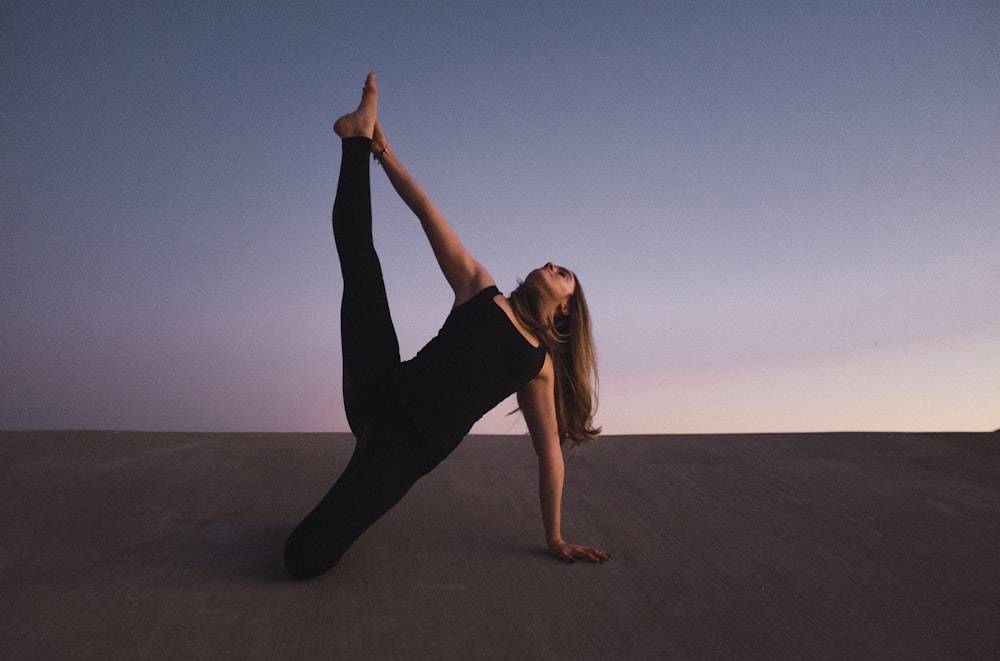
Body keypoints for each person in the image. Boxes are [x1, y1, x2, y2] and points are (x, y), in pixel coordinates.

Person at [284, 73, 611, 580]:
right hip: (382, 388)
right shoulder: (481, 287)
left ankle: (337, 506)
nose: (551, 265)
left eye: (563, 273)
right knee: (361, 264)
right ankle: (355, 136)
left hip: (406, 449)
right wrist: (380, 150)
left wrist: (555, 537)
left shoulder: (538, 365)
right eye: (553, 262)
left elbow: (550, 457)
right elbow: (424, 210)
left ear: (567, 308)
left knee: (302, 559)